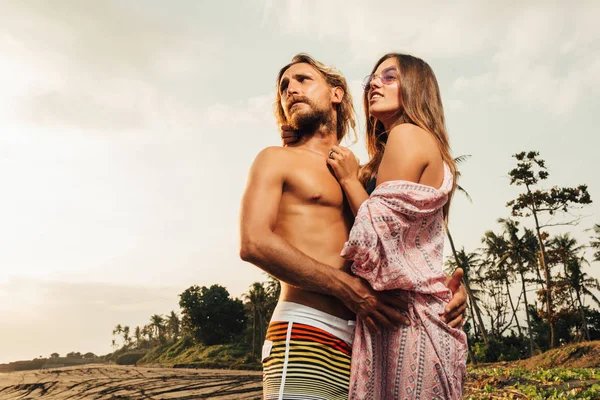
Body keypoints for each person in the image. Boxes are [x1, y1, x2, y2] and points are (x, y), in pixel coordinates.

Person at [239, 54, 467, 400]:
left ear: (337, 93)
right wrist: (348, 289)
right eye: (284, 86)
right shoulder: (276, 158)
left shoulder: (359, 174)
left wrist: (446, 295)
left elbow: (400, 240)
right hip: (305, 328)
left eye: (303, 79)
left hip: (366, 342)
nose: (290, 90)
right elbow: (254, 243)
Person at [323, 53, 468, 398]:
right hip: (411, 320)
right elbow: (414, 247)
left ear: (416, 88)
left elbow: (380, 237)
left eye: (389, 77)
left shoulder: (407, 134)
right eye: (372, 78)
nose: (374, 82)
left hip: (406, 325)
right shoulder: (418, 146)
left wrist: (348, 180)